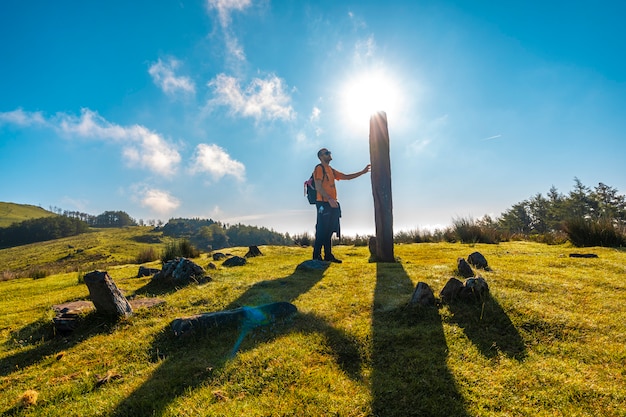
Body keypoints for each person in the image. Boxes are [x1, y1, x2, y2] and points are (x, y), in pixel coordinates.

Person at [312, 148, 370, 263]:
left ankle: (328, 255)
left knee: (329, 230)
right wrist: (329, 199)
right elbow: (318, 186)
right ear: (321, 157)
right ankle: (316, 256)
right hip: (323, 203)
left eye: (329, 153)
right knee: (321, 229)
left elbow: (346, 177)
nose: (329, 154)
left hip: (332, 203)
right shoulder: (319, 168)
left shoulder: (331, 170)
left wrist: (362, 172)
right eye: (326, 153)